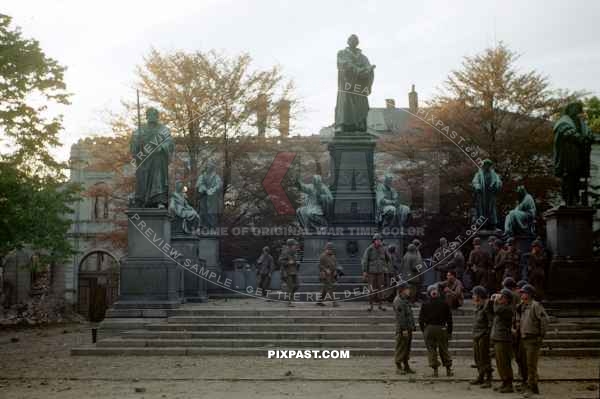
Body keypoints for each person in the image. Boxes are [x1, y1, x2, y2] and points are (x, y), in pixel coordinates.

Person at [553, 101, 593, 206]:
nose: (577, 113)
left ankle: (575, 199)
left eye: (579, 110)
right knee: (568, 177)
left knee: (576, 178)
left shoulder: (582, 123)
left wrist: (588, 138)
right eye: (576, 110)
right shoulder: (563, 121)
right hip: (568, 156)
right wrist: (579, 138)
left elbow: (589, 133)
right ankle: (566, 199)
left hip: (579, 155)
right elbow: (565, 132)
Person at [518, 284, 549, 395]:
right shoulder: (523, 306)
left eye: (524, 292)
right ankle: (528, 384)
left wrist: (541, 336)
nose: (521, 294)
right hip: (524, 338)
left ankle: (532, 387)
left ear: (530, 294)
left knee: (531, 365)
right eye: (521, 293)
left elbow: (544, 320)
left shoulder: (535, 306)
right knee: (525, 364)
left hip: (533, 339)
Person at [419, 284, 453, 377]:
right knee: (444, 349)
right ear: (438, 293)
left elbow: (421, 319)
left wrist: (424, 330)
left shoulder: (425, 304)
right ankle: (448, 370)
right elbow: (449, 319)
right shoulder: (444, 304)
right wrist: (449, 331)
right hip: (442, 328)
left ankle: (435, 371)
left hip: (429, 329)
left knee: (431, 350)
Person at [491, 288, 515, 393]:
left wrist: (496, 301)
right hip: (498, 337)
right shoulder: (502, 307)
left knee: (505, 362)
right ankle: (504, 382)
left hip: (503, 339)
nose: (500, 298)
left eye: (502, 297)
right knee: (500, 362)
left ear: (507, 299)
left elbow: (497, 310)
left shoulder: (508, 308)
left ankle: (509, 384)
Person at [470, 285, 493, 389]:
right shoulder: (479, 306)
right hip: (476, 335)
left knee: (484, 358)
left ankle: (488, 378)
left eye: (474, 295)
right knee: (478, 357)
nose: (473, 297)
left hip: (483, 335)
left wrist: (486, 334)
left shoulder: (486, 306)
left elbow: (490, 322)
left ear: (479, 296)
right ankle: (480, 376)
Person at [361, 234, 390, 311]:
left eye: (380, 240)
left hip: (380, 272)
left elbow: (388, 259)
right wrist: (364, 271)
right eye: (377, 240)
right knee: (371, 289)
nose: (378, 241)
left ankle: (380, 305)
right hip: (371, 272)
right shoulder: (369, 249)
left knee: (381, 288)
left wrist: (385, 267)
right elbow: (365, 260)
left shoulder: (383, 249)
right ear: (374, 241)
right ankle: (371, 305)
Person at [472, 159, 503, 229]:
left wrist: (496, 185)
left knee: (491, 210)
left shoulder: (494, 175)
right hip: (482, 195)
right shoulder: (479, 174)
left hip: (491, 195)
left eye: (488, 165)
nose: (487, 166)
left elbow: (499, 182)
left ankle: (492, 225)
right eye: (485, 165)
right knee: (481, 211)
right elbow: (475, 182)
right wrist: (477, 186)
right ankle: (482, 226)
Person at [393, 282, 416, 374]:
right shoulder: (398, 301)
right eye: (407, 289)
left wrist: (412, 326)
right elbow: (401, 317)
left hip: (408, 327)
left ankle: (406, 365)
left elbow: (409, 315)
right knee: (401, 347)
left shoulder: (405, 300)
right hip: (403, 328)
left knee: (407, 347)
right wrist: (404, 329)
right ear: (402, 290)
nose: (409, 290)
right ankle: (398, 366)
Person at [278, 239, 299, 306]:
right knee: (291, 286)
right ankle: (289, 302)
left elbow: (294, 261)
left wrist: (295, 262)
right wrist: (288, 262)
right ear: (290, 245)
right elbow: (280, 261)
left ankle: (289, 295)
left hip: (293, 271)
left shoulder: (294, 252)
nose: (295, 246)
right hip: (287, 272)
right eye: (294, 245)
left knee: (297, 285)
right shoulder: (285, 252)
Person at [317, 242, 338, 307]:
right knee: (329, 287)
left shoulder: (333, 256)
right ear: (326, 249)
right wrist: (325, 269)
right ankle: (334, 302)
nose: (331, 250)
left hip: (331, 275)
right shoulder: (322, 256)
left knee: (325, 289)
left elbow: (335, 264)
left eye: (332, 249)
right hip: (325, 275)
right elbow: (319, 265)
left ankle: (319, 301)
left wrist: (335, 271)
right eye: (330, 249)